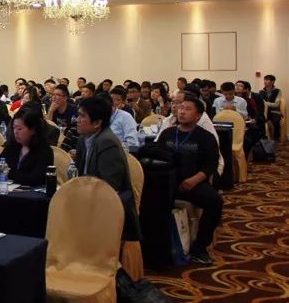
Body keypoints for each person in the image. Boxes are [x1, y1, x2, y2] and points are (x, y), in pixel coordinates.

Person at [156, 96, 222, 264]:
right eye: (180, 108)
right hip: (167, 182)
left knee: (215, 201)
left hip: (193, 183)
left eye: (187, 109)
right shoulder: (168, 133)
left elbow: (210, 165)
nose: (182, 112)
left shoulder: (206, 137)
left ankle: (200, 247)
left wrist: (194, 180)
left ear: (198, 116)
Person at [74, 96, 141, 242]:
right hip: (87, 198)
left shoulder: (107, 143)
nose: (77, 120)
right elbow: (78, 173)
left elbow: (110, 187)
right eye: (78, 115)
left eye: (82, 116)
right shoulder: (83, 139)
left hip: (109, 207)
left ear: (97, 123)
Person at [0, 106, 53, 186]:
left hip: (32, 193)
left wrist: (8, 174)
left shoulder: (45, 151)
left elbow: (36, 178)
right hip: (8, 191)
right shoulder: (12, 146)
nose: (15, 132)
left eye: (19, 129)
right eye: (14, 128)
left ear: (33, 130)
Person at [260, 74, 282, 139]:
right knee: (259, 120)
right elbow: (260, 103)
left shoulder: (277, 91)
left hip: (273, 111)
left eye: (267, 80)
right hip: (264, 111)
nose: (265, 81)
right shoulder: (261, 91)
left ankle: (275, 139)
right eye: (265, 80)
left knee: (275, 121)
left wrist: (265, 103)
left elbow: (276, 104)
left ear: (272, 82)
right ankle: (263, 138)